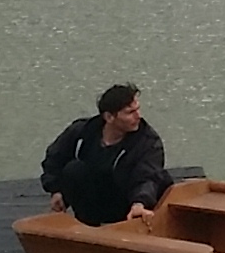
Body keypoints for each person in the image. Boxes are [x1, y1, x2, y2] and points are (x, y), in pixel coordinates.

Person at [41, 82, 170, 226]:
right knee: (74, 169)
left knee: (160, 180)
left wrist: (139, 203)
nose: (138, 116)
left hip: (127, 201)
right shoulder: (81, 131)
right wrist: (56, 190)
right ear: (109, 117)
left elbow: (148, 177)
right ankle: (88, 228)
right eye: (130, 112)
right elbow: (54, 158)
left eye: (137, 109)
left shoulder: (149, 142)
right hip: (96, 198)